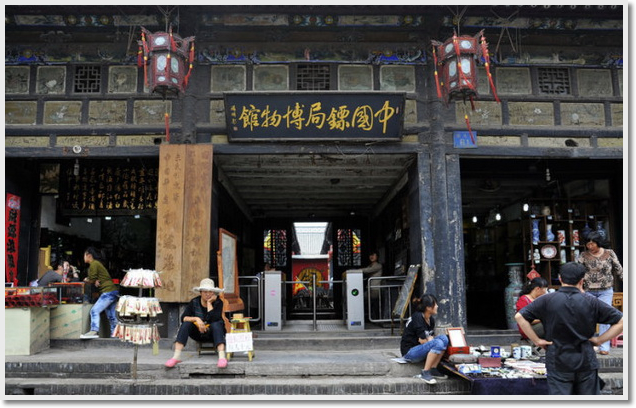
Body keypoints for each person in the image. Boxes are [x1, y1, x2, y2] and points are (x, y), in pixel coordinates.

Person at [515, 262, 623, 395]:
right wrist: (599, 340)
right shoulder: (591, 301)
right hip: (585, 360)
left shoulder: (547, 300)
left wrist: (537, 340)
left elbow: (520, 317)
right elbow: (621, 321)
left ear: (560, 278)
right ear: (582, 280)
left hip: (558, 360)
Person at [576, 231, 623, 356]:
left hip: (605, 290)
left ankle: (604, 346)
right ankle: (589, 345)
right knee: (587, 316)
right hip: (588, 290)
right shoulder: (583, 255)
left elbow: (619, 269)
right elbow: (578, 272)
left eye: (593, 244)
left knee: (605, 317)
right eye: (588, 244)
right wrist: (578, 287)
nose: (590, 246)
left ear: (598, 242)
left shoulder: (609, 253)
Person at [165, 278, 228, 369]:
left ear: (213, 293)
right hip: (198, 333)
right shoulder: (194, 302)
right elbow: (184, 318)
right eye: (205, 291)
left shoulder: (218, 302)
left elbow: (214, 319)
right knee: (186, 324)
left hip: (213, 334)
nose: (207, 294)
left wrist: (209, 303)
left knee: (216, 324)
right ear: (200, 292)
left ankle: (222, 357)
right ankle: (176, 356)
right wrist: (196, 319)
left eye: (210, 291)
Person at [400, 294, 449, 385]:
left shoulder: (431, 320)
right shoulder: (417, 317)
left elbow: (428, 340)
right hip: (410, 352)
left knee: (444, 338)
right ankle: (425, 372)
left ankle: (433, 369)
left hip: (421, 348)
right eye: (435, 304)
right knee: (438, 342)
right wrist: (430, 340)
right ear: (428, 308)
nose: (437, 306)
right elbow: (422, 340)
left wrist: (429, 340)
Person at [80, 247, 119, 339]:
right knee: (111, 316)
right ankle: (115, 335)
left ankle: (94, 330)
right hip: (112, 290)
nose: (83, 257)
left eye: (84, 255)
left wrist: (87, 279)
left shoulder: (94, 264)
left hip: (107, 292)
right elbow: (97, 278)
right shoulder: (98, 264)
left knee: (94, 311)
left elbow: (92, 278)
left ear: (89, 255)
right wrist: (95, 280)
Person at [361, 251, 383, 320]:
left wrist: (356, 271)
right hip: (370, 289)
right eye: (370, 255)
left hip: (375, 290)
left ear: (377, 257)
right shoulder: (370, 265)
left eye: (373, 255)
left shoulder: (378, 266)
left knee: (361, 298)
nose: (371, 257)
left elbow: (367, 270)